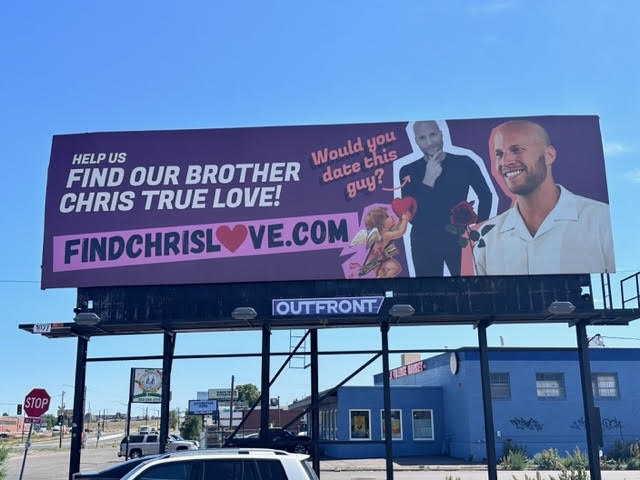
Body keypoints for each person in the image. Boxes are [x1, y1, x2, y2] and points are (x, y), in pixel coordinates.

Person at [474, 120, 615, 275]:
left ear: (549, 155)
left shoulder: (600, 220)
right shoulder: (487, 237)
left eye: (517, 150)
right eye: (499, 154)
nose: (505, 162)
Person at [400, 121, 493, 276]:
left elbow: (485, 195)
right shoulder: (408, 170)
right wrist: (428, 179)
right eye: (422, 138)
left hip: (459, 240)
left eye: (433, 135)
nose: (429, 142)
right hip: (423, 243)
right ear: (416, 141)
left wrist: (477, 232)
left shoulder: (464, 162)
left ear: (441, 134)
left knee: (468, 290)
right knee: (429, 294)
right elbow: (412, 216)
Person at [351, 206, 410, 278]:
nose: (391, 216)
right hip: (375, 260)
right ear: (382, 225)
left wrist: (401, 219)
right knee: (394, 268)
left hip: (379, 258)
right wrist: (405, 220)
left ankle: (382, 278)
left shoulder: (385, 232)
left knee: (392, 269)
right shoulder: (385, 235)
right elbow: (400, 232)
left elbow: (396, 227)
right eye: (387, 216)